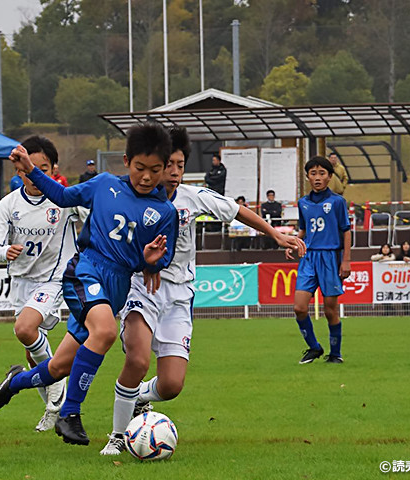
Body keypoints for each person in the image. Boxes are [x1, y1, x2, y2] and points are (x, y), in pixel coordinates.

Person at [100, 127, 306, 455]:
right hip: (140, 288)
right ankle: (116, 438)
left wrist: (276, 235)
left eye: (181, 165)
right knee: (137, 360)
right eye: (169, 165)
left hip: (179, 296)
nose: (174, 172)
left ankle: (138, 398)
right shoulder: (128, 196)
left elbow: (237, 211)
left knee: (171, 386)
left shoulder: (193, 197)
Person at [0, 122, 179, 447]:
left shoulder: (165, 212)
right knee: (104, 332)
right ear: (127, 160)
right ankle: (70, 413)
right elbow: (60, 195)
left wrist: (150, 259)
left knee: (59, 366)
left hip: (115, 288)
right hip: (85, 271)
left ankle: (14, 383)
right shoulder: (102, 185)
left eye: (155, 170)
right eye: (140, 168)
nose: (146, 177)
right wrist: (31, 169)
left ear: (164, 168)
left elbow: (159, 261)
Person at [0, 136, 77, 432]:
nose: (35, 175)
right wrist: (4, 252)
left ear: (54, 168)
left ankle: (56, 391)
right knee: (30, 348)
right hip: (21, 282)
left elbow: (98, 213)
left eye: (43, 169)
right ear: (20, 170)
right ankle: (52, 407)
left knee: (24, 329)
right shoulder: (9, 204)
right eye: (28, 169)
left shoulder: (65, 198)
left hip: (54, 278)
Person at [285, 156, 351, 365]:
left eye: (322, 173)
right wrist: (294, 243)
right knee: (299, 308)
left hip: (331, 257)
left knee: (330, 310)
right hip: (309, 258)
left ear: (330, 176)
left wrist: (346, 260)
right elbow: (305, 229)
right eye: (313, 174)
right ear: (307, 177)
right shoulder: (303, 203)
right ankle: (314, 347)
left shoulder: (337, 202)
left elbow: (346, 231)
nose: (317, 178)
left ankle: (335, 354)